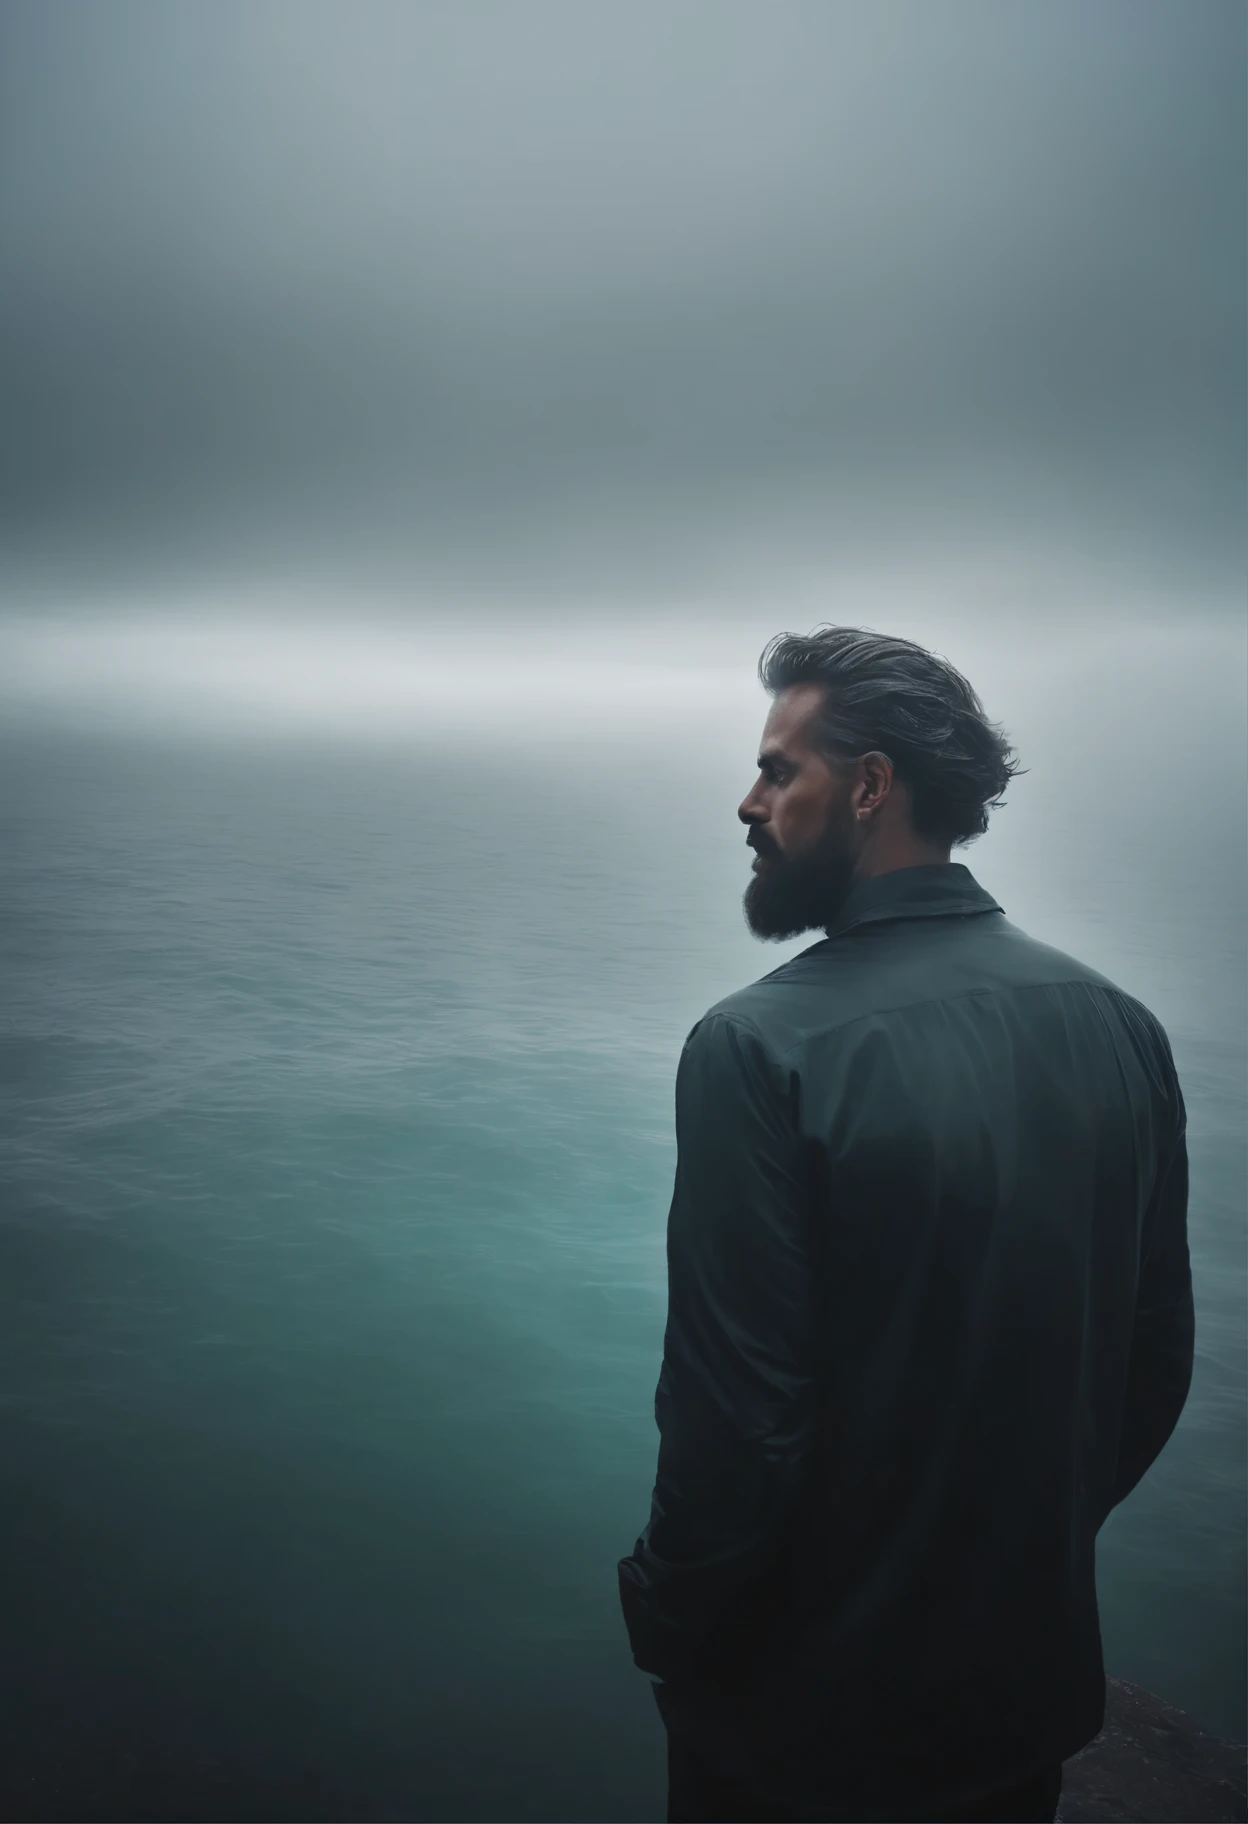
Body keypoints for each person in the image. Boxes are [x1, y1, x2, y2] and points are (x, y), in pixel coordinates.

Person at [617, 627, 1195, 1823]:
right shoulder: (1121, 1026)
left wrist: (664, 1615)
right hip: (1019, 1705)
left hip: (799, 1734)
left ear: (870, 786)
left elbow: (739, 1427)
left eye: (781, 771)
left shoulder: (759, 1048)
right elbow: (1152, 1366)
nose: (749, 800)